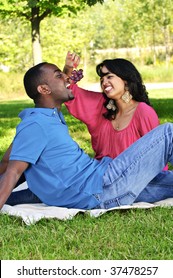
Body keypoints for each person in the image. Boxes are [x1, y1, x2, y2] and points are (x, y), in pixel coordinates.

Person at [0, 61, 173, 210]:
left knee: (167, 181)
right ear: (44, 89)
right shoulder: (36, 124)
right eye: (59, 76)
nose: (67, 78)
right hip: (102, 186)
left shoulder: (47, 118)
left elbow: (8, 162)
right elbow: (13, 171)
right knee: (169, 132)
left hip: (106, 179)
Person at [64, 52, 168, 165]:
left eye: (109, 76)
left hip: (134, 179)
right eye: (102, 79)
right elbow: (67, 90)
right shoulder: (100, 106)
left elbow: (158, 156)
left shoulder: (143, 112)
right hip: (100, 177)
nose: (104, 82)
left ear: (126, 80)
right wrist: (69, 67)